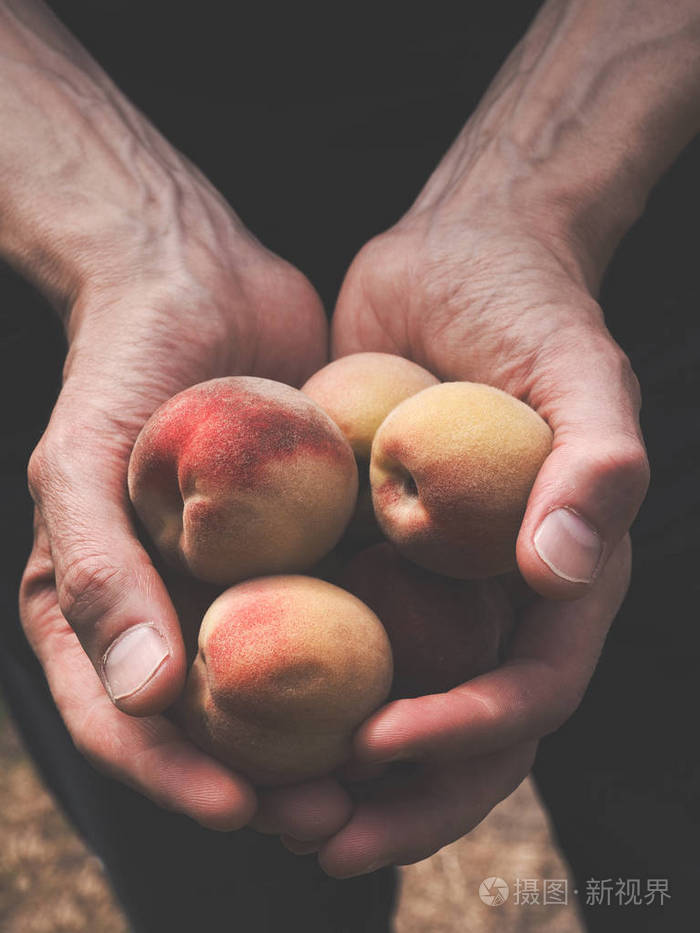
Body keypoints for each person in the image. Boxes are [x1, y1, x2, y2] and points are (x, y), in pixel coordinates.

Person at [1, 0, 698, 929]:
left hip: (589, 285)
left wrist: (537, 199)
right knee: (225, 888)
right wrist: (132, 240)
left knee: (669, 834)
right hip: (93, 329)